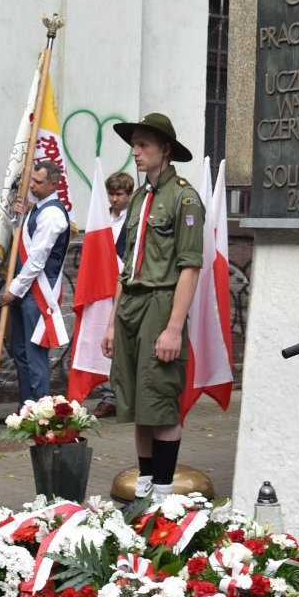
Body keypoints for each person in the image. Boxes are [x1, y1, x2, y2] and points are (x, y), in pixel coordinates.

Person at [104, 114, 203, 501]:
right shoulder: (140, 198)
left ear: (165, 149)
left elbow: (190, 266)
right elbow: (125, 265)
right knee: (136, 399)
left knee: (160, 399)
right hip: (131, 303)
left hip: (162, 305)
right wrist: (112, 323)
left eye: (144, 144)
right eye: (134, 145)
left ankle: (163, 493)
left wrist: (174, 328)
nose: (136, 152)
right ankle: (145, 484)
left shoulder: (184, 197)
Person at [0, 159, 71, 404]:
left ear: (54, 184)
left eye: (39, 182)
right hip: (25, 291)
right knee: (20, 350)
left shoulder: (51, 214)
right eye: (32, 180)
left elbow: (37, 258)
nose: (32, 186)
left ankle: (40, 408)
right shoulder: (37, 208)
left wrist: (14, 290)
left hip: (37, 291)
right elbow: (23, 238)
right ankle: (25, 404)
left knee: (34, 352)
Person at [90, 170, 135, 418]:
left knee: (119, 342)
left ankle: (115, 395)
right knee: (103, 341)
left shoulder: (133, 221)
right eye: (111, 194)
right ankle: (108, 394)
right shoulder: (102, 218)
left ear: (128, 194)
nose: (114, 199)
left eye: (119, 194)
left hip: (123, 287)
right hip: (101, 287)